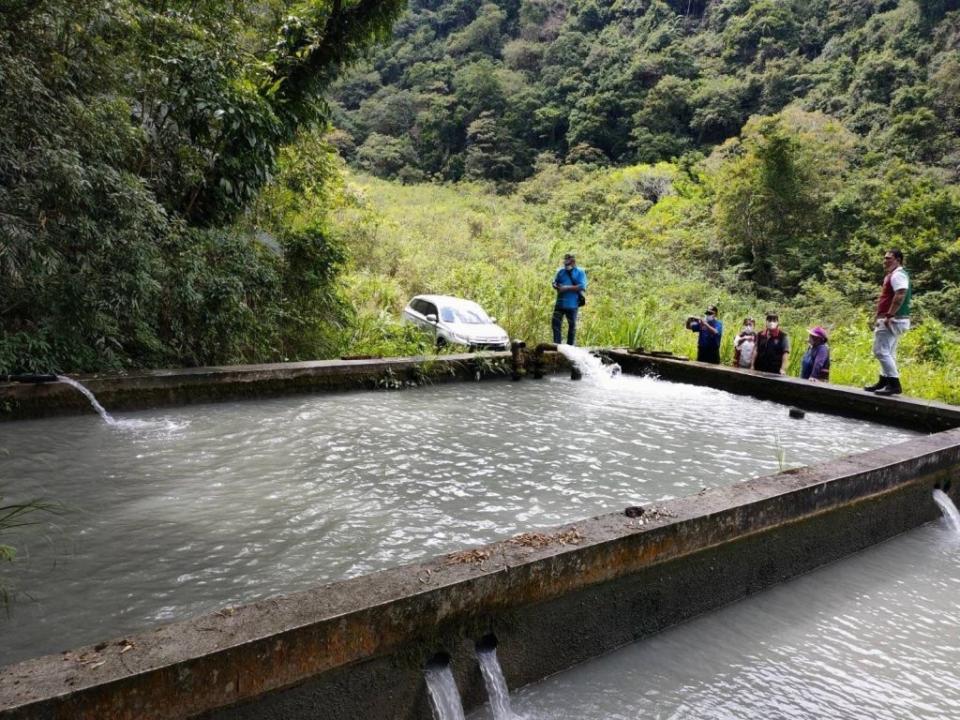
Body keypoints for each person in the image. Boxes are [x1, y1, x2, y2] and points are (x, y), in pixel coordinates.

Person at [864, 248, 911, 396]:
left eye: (889, 258)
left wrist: (889, 315)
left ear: (898, 259)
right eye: (884, 258)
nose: (885, 260)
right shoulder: (895, 275)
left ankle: (894, 384)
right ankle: (884, 381)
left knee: (880, 351)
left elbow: (900, 294)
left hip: (892, 319)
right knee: (889, 352)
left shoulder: (897, 275)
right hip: (894, 318)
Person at [551, 253, 587, 345]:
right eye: (565, 263)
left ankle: (570, 347)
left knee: (572, 326)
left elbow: (582, 286)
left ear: (573, 262)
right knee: (555, 324)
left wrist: (566, 288)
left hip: (572, 304)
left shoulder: (580, 272)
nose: (566, 265)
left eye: (569, 263)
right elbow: (555, 282)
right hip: (559, 304)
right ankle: (557, 345)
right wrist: (555, 285)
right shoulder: (560, 271)